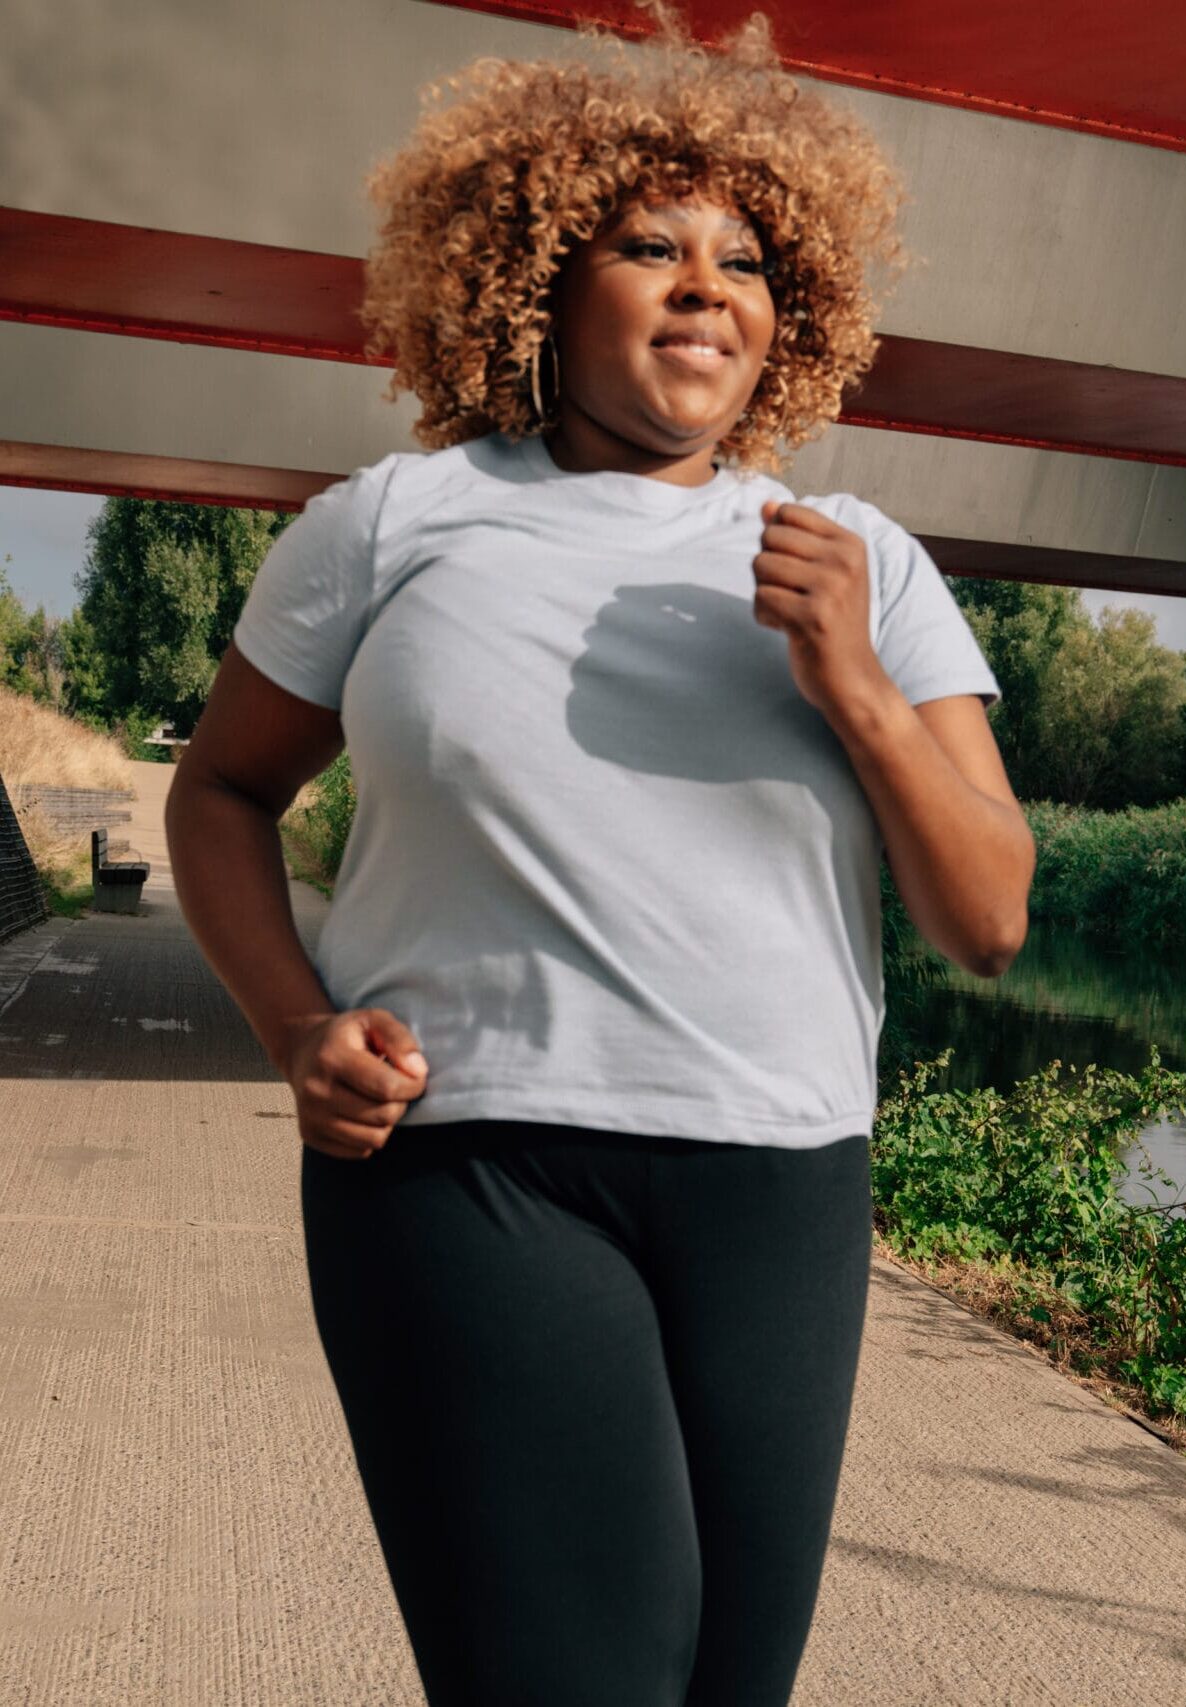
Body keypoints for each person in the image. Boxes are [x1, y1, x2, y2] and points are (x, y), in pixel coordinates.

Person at [166, 7, 1036, 1704]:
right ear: (540, 281)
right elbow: (218, 795)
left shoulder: (859, 558)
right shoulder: (391, 525)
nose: (708, 283)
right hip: (472, 1162)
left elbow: (990, 916)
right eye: (651, 246)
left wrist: (857, 686)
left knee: (727, 1687)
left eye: (748, 260)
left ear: (794, 320)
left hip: (783, 1179)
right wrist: (291, 1028)